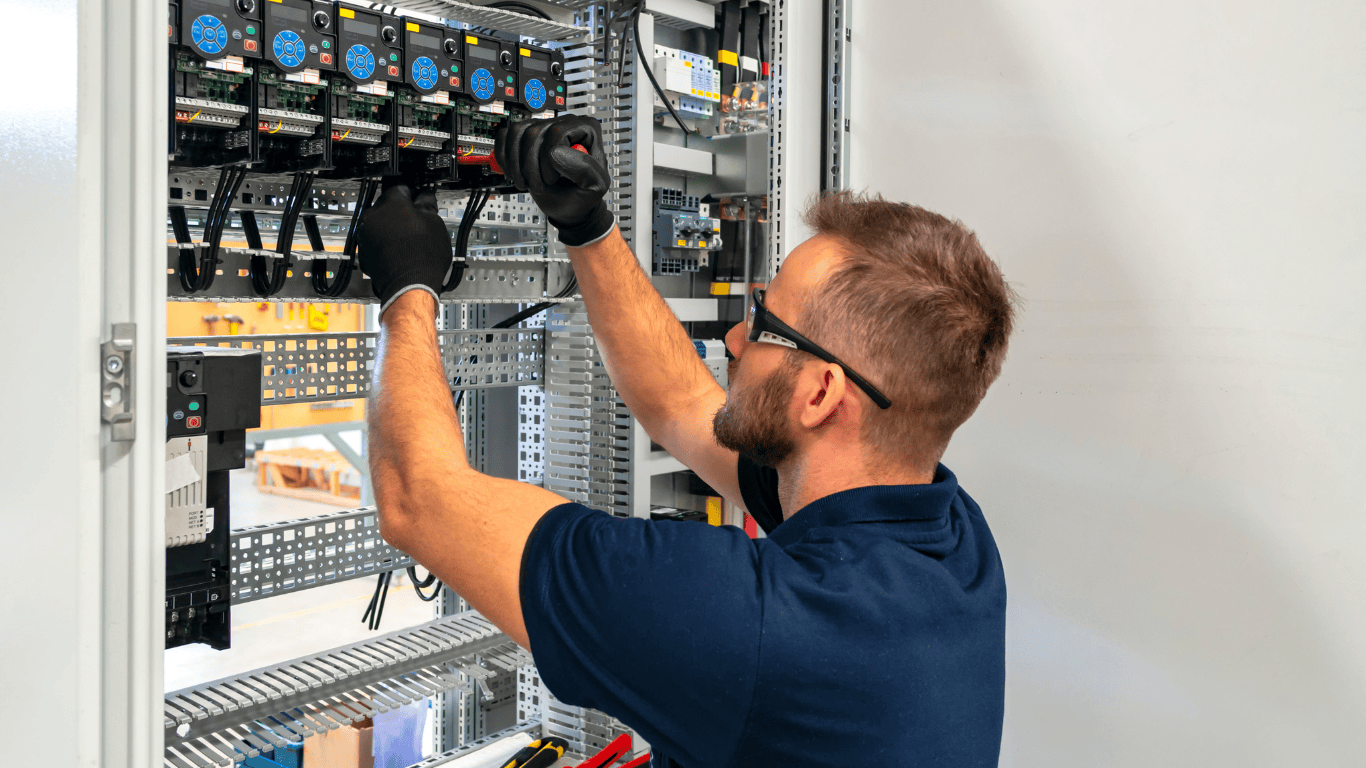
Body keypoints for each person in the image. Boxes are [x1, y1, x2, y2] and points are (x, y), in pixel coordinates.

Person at [356, 114, 1016, 767]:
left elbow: (418, 499)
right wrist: (587, 225)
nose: (734, 339)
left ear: (821, 395)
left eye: (764, 323)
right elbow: (681, 404)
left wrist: (406, 289)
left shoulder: (758, 628)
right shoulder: (953, 540)